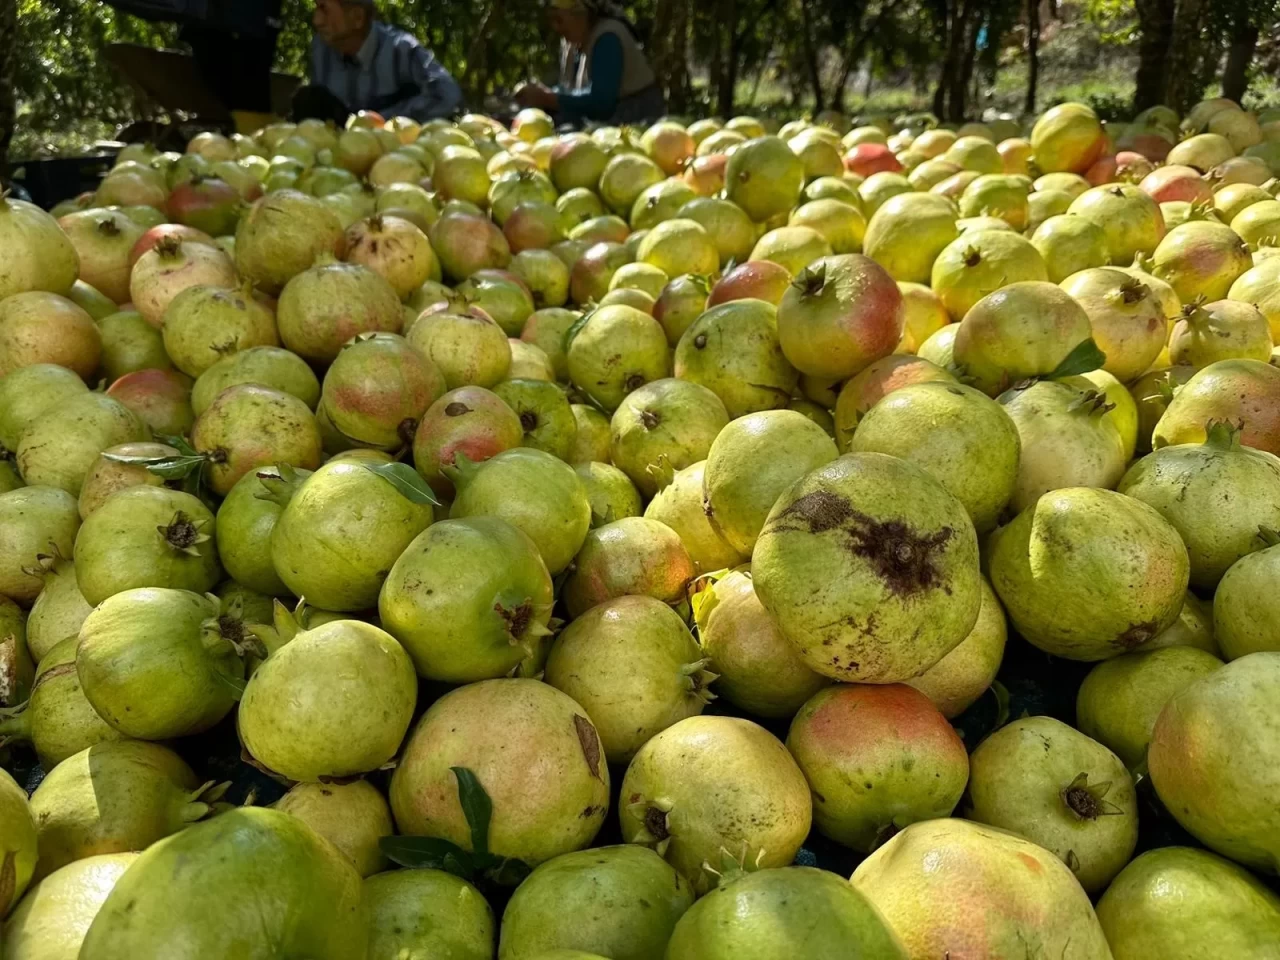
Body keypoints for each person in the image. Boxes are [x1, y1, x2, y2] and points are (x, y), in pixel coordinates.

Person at [295, 0, 464, 124]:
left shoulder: (400, 50)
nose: (317, 20)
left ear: (357, 17)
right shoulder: (321, 51)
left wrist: (381, 121)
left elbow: (446, 96)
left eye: (324, 9)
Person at [515, 0, 665, 127]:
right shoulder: (573, 42)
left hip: (634, 118)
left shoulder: (608, 38)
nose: (556, 27)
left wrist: (548, 98)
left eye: (559, 20)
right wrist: (542, 94)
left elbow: (602, 104)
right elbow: (571, 90)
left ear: (581, 14)